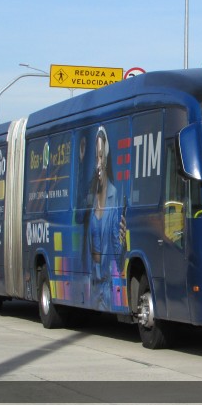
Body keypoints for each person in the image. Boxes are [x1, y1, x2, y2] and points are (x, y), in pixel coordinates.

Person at [87, 126, 127, 309]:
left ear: (107, 157)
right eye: (96, 156)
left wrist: (123, 238)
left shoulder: (114, 194)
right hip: (91, 281)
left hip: (107, 283)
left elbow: (118, 254)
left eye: (101, 156)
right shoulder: (90, 196)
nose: (98, 162)